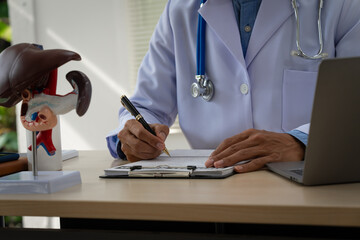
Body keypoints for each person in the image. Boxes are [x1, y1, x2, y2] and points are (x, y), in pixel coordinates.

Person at [107, 0, 360, 173]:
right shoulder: (182, 8)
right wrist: (133, 135)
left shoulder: (342, 5)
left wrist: (302, 142)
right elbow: (143, 106)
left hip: (308, 188)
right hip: (211, 190)